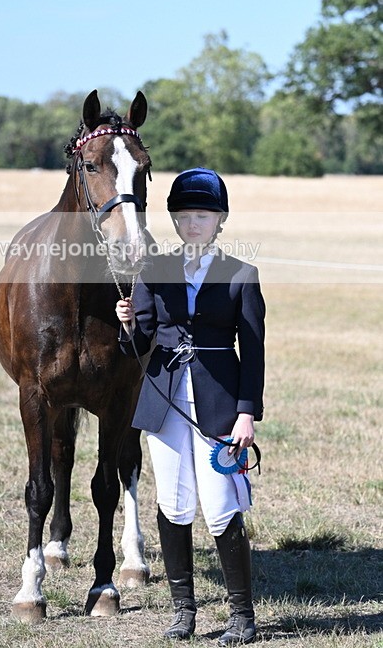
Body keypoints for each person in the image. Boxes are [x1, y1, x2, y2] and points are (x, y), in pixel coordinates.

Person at [116, 168, 265, 645]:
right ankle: (184, 612)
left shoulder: (241, 275)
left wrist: (247, 412)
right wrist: (127, 324)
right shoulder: (154, 270)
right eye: (184, 215)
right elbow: (138, 344)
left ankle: (242, 616)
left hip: (219, 405)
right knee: (173, 504)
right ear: (175, 220)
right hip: (165, 403)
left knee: (220, 508)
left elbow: (254, 351)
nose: (193, 223)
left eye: (203, 215)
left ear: (220, 220)